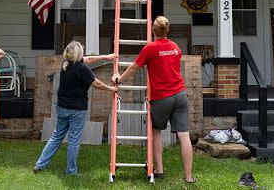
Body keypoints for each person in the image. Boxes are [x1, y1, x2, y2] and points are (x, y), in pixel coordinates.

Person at [111, 16, 195, 184]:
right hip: (180, 95)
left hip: (162, 98)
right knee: (184, 136)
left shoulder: (150, 48)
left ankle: (159, 169)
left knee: (156, 132)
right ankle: (188, 177)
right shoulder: (175, 47)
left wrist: (118, 79)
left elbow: (134, 68)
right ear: (167, 30)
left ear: (152, 31)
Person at [33, 41, 117, 175]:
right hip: (77, 110)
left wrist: (105, 57)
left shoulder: (66, 63)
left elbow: (88, 59)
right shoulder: (82, 68)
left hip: (62, 107)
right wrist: (111, 88)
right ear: (78, 54)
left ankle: (40, 165)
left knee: (56, 137)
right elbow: (97, 83)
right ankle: (71, 172)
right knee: (73, 141)